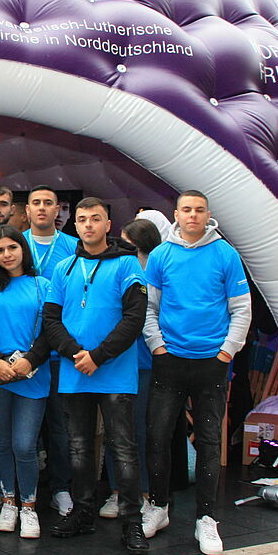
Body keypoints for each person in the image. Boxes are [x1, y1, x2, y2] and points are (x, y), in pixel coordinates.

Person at [25, 197, 149, 555]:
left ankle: (132, 521)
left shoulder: (128, 265)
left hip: (114, 372)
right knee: (78, 447)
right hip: (74, 371)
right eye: (82, 220)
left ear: (108, 224)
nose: (89, 225)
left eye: (96, 219)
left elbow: (134, 319)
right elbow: (50, 320)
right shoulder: (64, 267)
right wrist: (75, 353)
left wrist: (98, 355)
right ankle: (82, 512)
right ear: (74, 225)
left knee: (122, 448)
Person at [142, 190, 251, 555]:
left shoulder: (225, 254)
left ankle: (207, 518)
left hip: (211, 363)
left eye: (199, 210)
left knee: (208, 442)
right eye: (186, 210)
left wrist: (225, 353)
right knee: (157, 436)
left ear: (208, 214)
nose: (192, 216)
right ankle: (158, 507)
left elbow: (242, 310)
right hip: (168, 360)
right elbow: (149, 307)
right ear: (176, 214)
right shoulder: (160, 255)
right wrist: (158, 345)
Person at [0, 225, 52, 540]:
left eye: (12, 248)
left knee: (24, 445)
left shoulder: (43, 285)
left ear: (23, 249)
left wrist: (29, 361)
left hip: (32, 375)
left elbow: (52, 329)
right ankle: (8, 501)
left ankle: (29, 506)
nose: (6, 255)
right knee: (2, 443)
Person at [13, 185, 78, 518]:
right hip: (18, 356)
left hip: (58, 355)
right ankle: (7, 489)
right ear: (27, 211)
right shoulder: (14, 245)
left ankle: (61, 488)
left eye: (48, 203)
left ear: (59, 211)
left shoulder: (74, 248)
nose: (41, 208)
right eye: (35, 203)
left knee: (59, 426)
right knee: (16, 430)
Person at [99, 217, 164, 520]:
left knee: (141, 431)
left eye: (127, 244)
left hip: (146, 364)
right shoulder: (116, 268)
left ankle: (147, 494)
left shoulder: (158, 274)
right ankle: (117, 491)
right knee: (117, 431)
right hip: (115, 362)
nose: (120, 248)